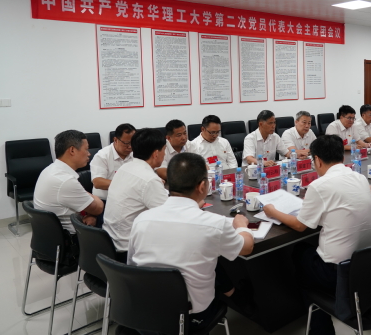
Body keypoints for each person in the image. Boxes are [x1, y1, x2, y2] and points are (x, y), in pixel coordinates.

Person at [128, 153, 254, 333]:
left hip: (146, 311)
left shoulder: (141, 219)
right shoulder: (214, 224)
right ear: (202, 186)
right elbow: (246, 248)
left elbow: (132, 265)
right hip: (190, 316)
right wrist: (241, 226)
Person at [262, 135, 371, 335]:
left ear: (317, 160)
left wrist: (272, 211)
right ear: (342, 156)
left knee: (299, 253)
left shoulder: (319, 185)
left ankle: (319, 328)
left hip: (337, 272)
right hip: (367, 265)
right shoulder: (360, 177)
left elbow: (299, 226)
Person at [103, 128, 168, 253]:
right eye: (164, 150)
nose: (164, 154)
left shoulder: (125, 168)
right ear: (156, 154)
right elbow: (169, 216)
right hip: (129, 248)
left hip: (110, 241)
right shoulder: (149, 180)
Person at [34, 130, 104, 236]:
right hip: (73, 238)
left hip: (51, 235)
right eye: (86, 149)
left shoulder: (49, 170)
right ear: (72, 150)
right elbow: (98, 208)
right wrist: (95, 199)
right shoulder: (65, 181)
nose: (89, 153)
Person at [90, 123, 136, 201]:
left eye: (133, 143)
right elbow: (97, 182)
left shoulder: (136, 153)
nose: (130, 147)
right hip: (106, 200)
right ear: (115, 140)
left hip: (129, 198)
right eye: (126, 143)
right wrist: (127, 185)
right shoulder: (102, 156)